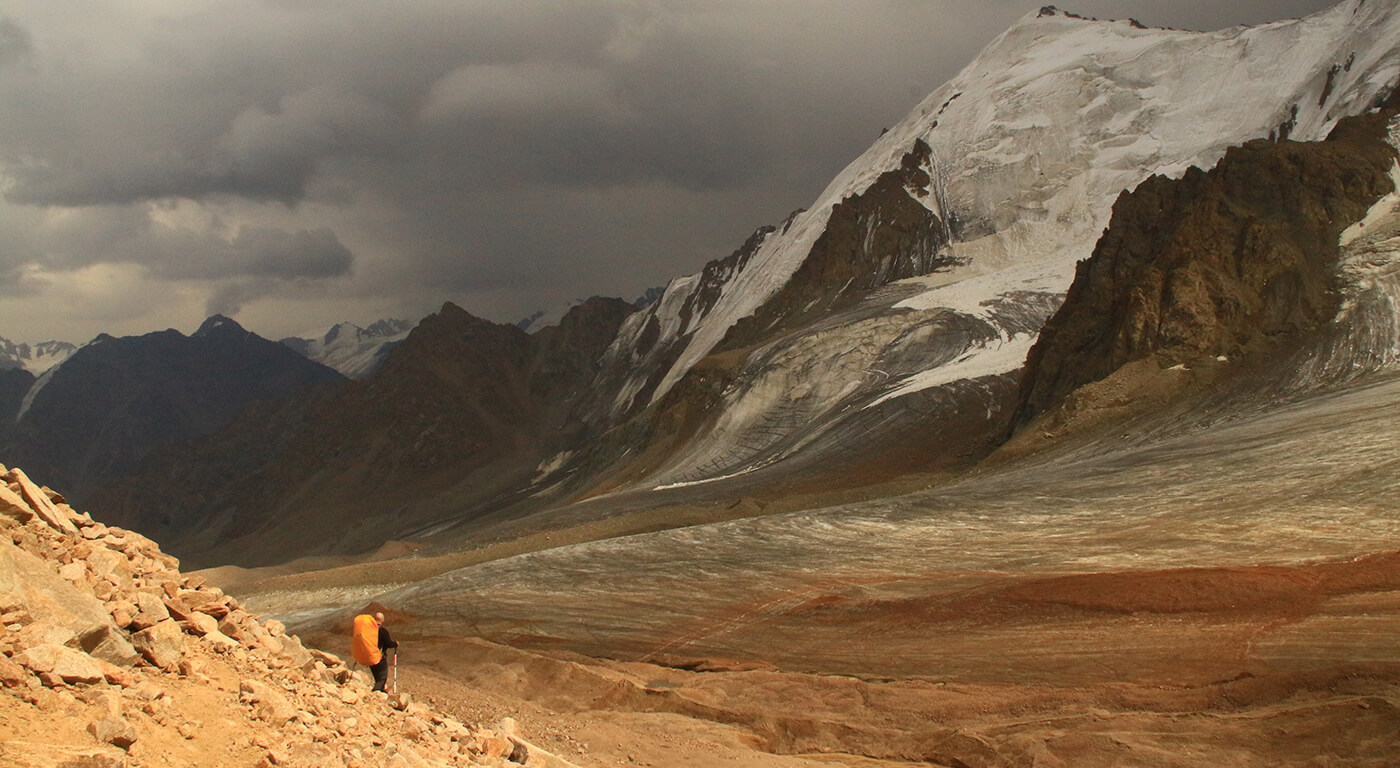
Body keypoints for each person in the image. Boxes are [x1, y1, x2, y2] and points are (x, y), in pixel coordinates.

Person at [350, 611, 400, 693]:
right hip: (379, 658)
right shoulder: (382, 631)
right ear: (382, 620)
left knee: (377, 678)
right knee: (382, 679)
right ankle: (374, 694)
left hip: (370, 657)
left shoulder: (369, 629)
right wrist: (395, 644)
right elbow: (388, 643)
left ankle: (380, 693)